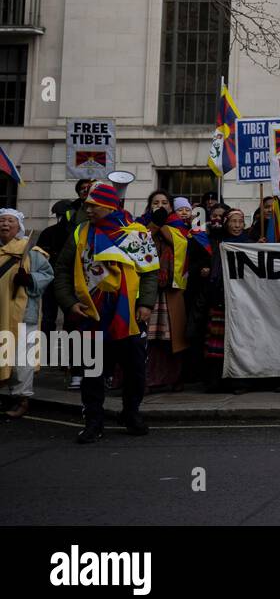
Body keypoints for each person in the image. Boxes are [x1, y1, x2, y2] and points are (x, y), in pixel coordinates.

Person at [51, 182, 160, 443]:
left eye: (93, 205)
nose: (88, 209)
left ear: (109, 206)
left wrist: (145, 304)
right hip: (92, 315)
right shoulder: (80, 233)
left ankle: (131, 414)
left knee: (135, 371)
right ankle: (93, 422)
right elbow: (63, 270)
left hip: (129, 315)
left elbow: (149, 272)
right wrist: (69, 303)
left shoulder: (136, 234)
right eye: (87, 205)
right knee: (92, 372)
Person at [35, 179, 92, 387]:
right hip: (63, 277)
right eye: (83, 190)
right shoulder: (66, 223)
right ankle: (73, 367)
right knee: (67, 321)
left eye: (90, 189)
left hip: (87, 277)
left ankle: (98, 369)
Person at [0, 209, 54, 419]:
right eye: (2, 221)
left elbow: (48, 274)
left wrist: (29, 279)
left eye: (10, 221)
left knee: (22, 358)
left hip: (23, 314)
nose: (5, 224)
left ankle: (22, 398)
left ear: (18, 227)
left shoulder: (31, 252)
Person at [144, 193, 191, 392]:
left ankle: (172, 378)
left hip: (171, 291)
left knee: (172, 339)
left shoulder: (178, 226)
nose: (160, 206)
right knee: (146, 338)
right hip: (147, 290)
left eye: (164, 203)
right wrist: (153, 224)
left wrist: (161, 225)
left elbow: (182, 245)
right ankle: (145, 379)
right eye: (156, 203)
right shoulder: (141, 225)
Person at [202, 207, 249, 393]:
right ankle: (214, 380)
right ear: (226, 223)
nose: (237, 226)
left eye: (240, 222)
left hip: (243, 302)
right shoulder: (216, 242)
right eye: (233, 222)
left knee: (240, 342)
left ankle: (238, 381)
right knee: (217, 343)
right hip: (221, 298)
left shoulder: (250, 243)